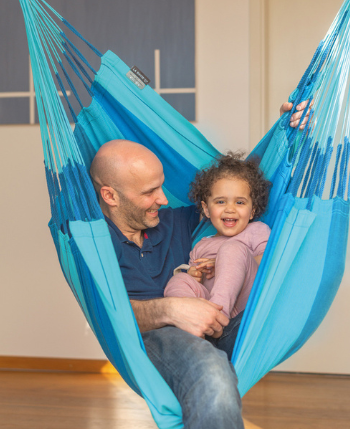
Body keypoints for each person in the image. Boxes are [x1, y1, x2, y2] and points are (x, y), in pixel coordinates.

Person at [89, 102, 308, 428]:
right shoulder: (93, 243)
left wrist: (288, 135)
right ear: (110, 196)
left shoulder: (175, 221)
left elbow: (234, 189)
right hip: (157, 338)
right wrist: (170, 310)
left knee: (283, 308)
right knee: (212, 372)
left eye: (161, 186)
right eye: (150, 192)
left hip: (221, 317)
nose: (164, 200)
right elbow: (106, 313)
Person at [164, 152, 272, 320]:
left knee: (232, 249)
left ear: (253, 211)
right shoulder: (201, 245)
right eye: (221, 202)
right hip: (207, 304)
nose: (230, 209)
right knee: (179, 280)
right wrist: (194, 274)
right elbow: (196, 281)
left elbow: (269, 261)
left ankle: (218, 315)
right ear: (206, 209)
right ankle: (191, 319)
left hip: (244, 304)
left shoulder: (256, 230)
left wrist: (223, 261)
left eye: (240, 202)